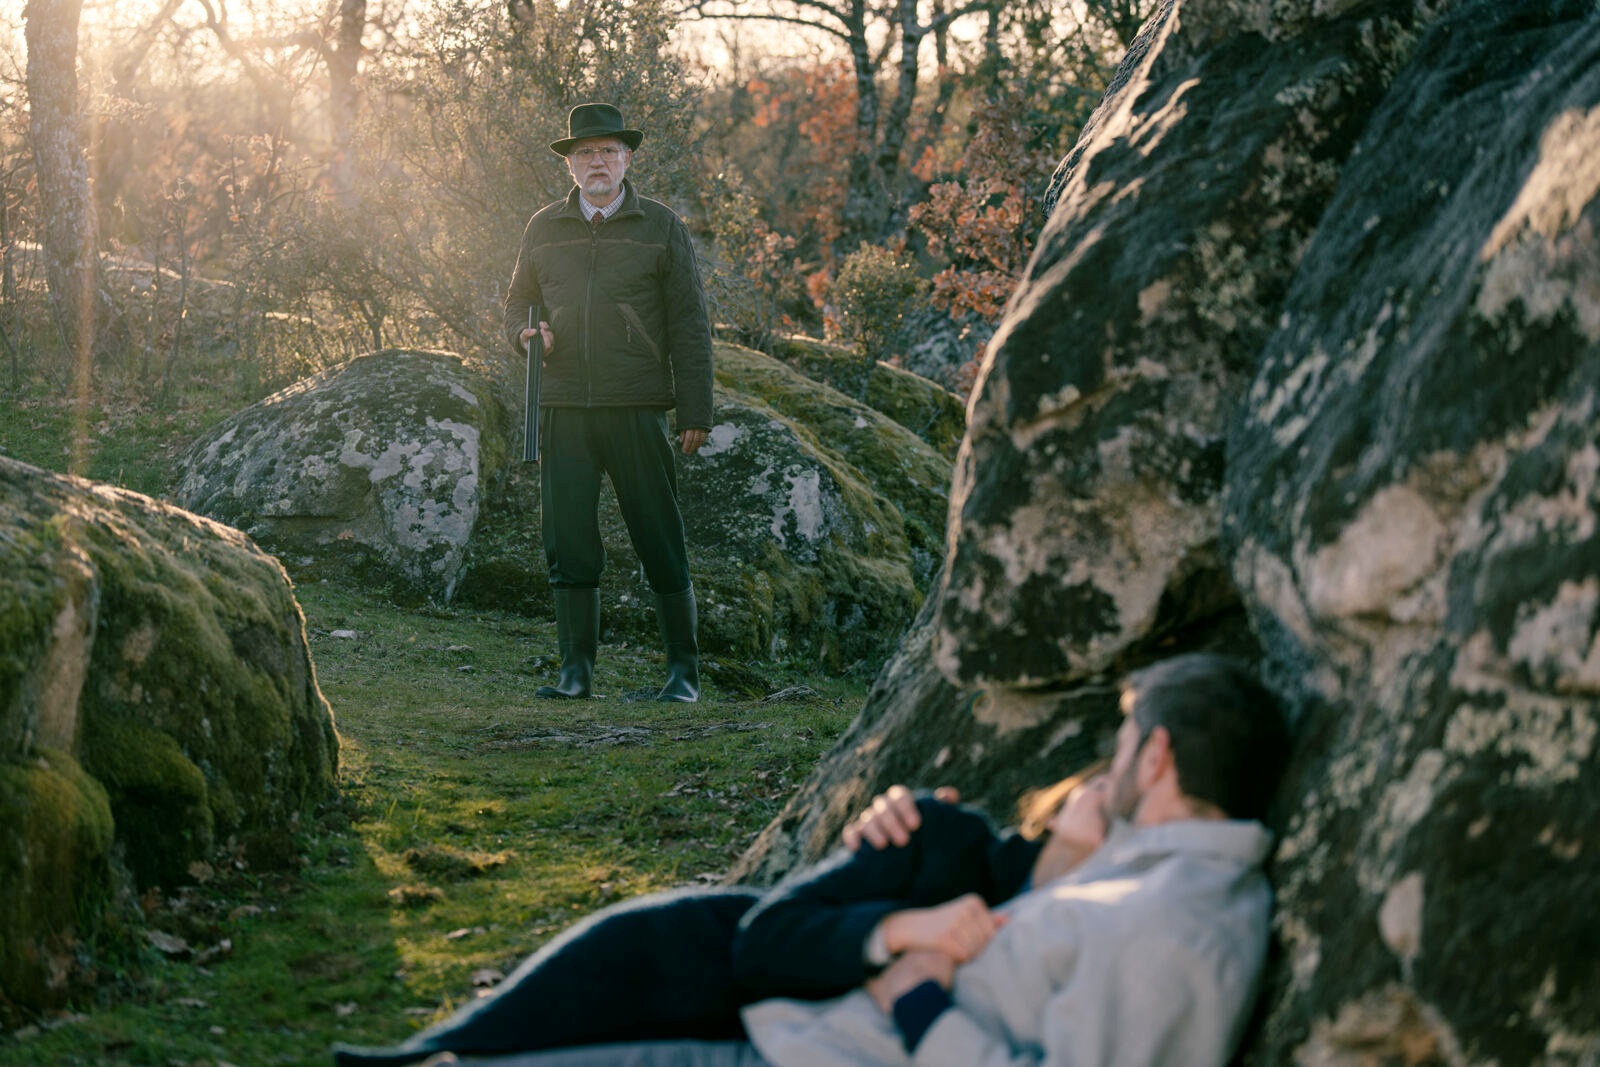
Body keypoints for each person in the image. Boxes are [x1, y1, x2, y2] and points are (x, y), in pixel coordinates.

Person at [383, 651, 1292, 1067]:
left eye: (1127, 742)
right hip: (783, 1020)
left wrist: (920, 993)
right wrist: (906, 888)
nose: (1107, 765)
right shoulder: (1152, 869)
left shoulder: (1179, 928)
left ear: (1162, 758)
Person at [330, 769, 1111, 1066]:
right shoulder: (944, 832)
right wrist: (901, 932)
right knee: (479, 1047)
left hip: (757, 1041)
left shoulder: (1077, 926)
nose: (1113, 789)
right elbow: (766, 938)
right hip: (685, 965)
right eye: (1102, 772)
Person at [504, 102, 714, 703]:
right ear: (570, 166)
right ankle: (575, 675)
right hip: (563, 406)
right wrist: (526, 336)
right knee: (567, 541)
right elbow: (517, 304)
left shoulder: (660, 226)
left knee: (659, 536)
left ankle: (683, 677)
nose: (596, 162)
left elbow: (689, 324)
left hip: (636, 405)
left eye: (607, 151)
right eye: (585, 153)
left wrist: (694, 410)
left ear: (627, 159)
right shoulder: (543, 227)